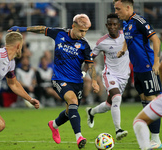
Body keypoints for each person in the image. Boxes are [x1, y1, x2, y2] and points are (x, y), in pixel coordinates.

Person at [8, 13, 99, 149]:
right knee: (73, 101)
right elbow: (41, 29)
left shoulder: (84, 45)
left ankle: (54, 125)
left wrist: (94, 81)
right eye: (81, 30)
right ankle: (79, 137)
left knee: (70, 111)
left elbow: (90, 64)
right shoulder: (59, 34)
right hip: (59, 78)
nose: (83, 34)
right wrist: (22, 29)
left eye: (85, 31)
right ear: (73, 26)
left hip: (77, 82)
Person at [114, 0, 162, 148]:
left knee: (152, 100)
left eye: (118, 9)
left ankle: (156, 139)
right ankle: (149, 137)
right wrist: (123, 49)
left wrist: (156, 62)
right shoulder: (125, 23)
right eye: (115, 9)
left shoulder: (139, 21)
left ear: (128, 7)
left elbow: (156, 40)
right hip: (137, 69)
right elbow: (128, 39)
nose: (116, 12)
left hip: (148, 67)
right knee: (144, 99)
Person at [0, 32, 40, 142]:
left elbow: (13, 84)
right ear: (18, 46)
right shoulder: (1, 54)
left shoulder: (11, 63)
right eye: (22, 46)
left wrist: (30, 99)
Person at [86, 13, 130, 141]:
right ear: (106, 25)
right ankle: (118, 130)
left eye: (115, 24)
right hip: (110, 74)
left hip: (124, 76)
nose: (112, 27)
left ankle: (91, 112)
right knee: (117, 98)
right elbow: (90, 58)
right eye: (110, 24)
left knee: (109, 105)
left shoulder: (126, 36)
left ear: (118, 25)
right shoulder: (101, 42)